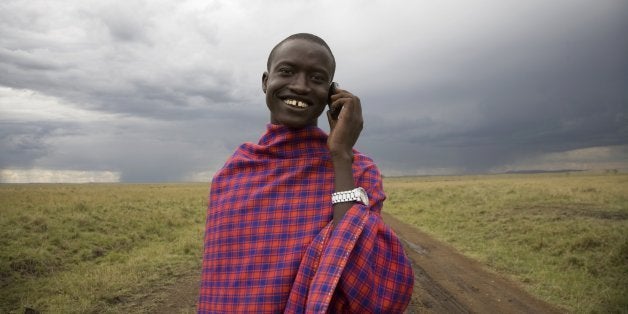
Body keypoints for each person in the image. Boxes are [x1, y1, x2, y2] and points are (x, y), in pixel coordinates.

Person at [198, 33, 414, 313]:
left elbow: (355, 266)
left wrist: (340, 155)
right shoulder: (233, 174)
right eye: (286, 72)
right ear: (266, 82)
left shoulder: (356, 168)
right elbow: (221, 285)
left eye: (317, 78)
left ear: (331, 92)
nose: (300, 86)